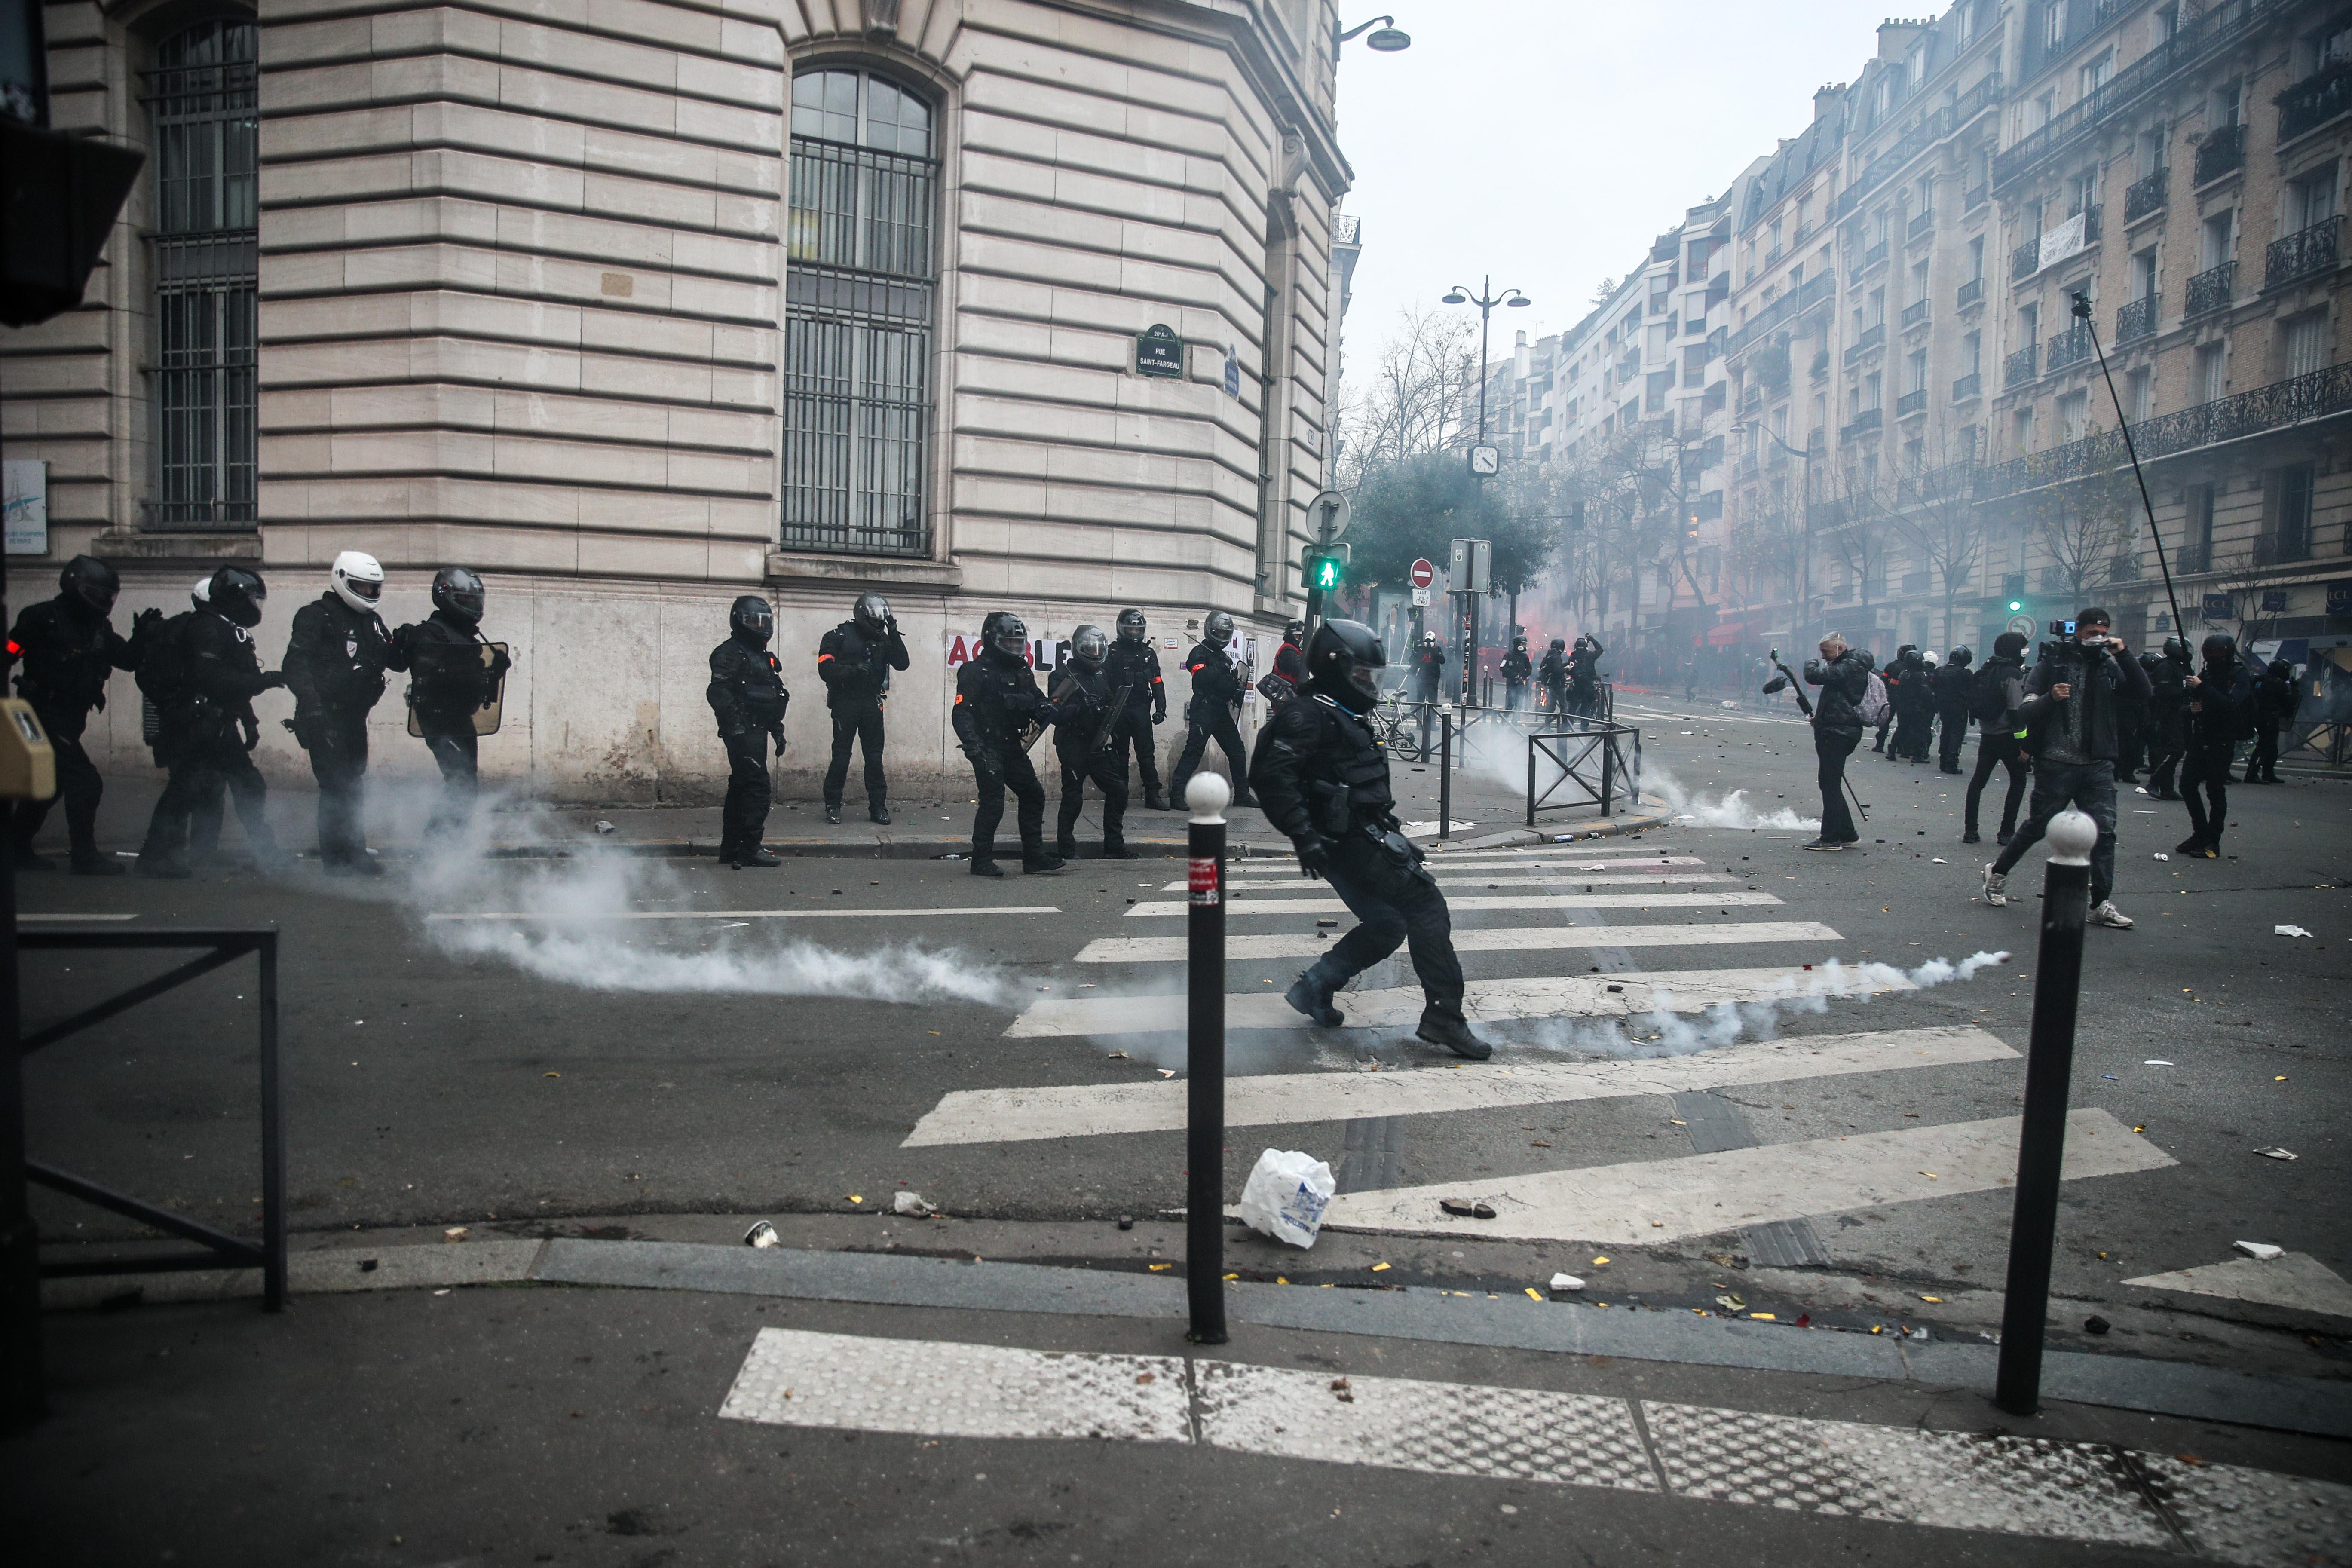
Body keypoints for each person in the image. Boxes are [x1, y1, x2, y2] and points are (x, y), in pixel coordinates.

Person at [1248, 619, 1486, 1060]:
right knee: (1426, 906)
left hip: (1360, 835)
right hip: (1346, 842)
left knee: (1388, 923)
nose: (1368, 685)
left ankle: (1314, 988)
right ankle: (1445, 1019)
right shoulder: (1308, 714)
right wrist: (1303, 835)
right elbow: (1272, 778)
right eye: (1361, 675)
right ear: (1334, 668)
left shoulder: (1337, 709)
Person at [1981, 608, 2148, 928]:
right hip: (2056, 761)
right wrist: (2051, 698)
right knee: (2039, 825)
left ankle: (2100, 902)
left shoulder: (2107, 665)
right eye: (2092, 633)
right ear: (2078, 631)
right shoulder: (2052, 663)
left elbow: (2143, 692)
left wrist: (2124, 655)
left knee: (2104, 832)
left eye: (2103, 633)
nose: (2098, 638)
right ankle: (1998, 873)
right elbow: (2025, 710)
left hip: (2097, 762)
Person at [136, 567, 288, 879]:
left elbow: (235, 680)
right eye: (250, 599)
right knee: (186, 788)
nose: (254, 606)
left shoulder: (226, 628)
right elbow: (213, 678)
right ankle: (154, 856)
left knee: (247, 784)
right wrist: (265, 681)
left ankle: (262, 854)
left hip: (219, 723)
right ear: (234, 598)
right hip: (197, 723)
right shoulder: (207, 628)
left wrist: (249, 719)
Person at [3, 556, 153, 873]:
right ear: (76, 587)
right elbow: (9, 654)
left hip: (70, 717)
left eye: (108, 597)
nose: (104, 602)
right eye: (98, 595)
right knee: (85, 781)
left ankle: (16, 848)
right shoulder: (42, 618)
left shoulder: (98, 627)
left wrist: (142, 637)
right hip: (40, 714)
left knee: (52, 782)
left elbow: (126, 659)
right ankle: (84, 857)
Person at [281, 551, 403, 876]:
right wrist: (312, 706)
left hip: (354, 717)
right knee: (335, 788)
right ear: (343, 581)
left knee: (353, 786)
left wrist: (410, 642)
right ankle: (335, 861)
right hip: (325, 717)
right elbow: (295, 665)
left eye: (373, 588)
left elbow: (393, 658)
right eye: (362, 587)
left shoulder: (371, 621)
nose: (369, 594)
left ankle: (355, 853)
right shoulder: (317, 616)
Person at [393, 567, 509, 839]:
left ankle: (450, 846)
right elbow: (433, 681)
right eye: (466, 600)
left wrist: (494, 673)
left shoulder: (467, 637)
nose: (473, 606)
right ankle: (435, 848)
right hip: (439, 720)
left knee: (467, 785)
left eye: (475, 600)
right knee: (461, 786)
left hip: (462, 720)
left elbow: (477, 692)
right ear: (445, 597)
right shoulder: (430, 635)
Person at [953, 610, 1061, 876]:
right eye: (1009, 643)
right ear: (992, 640)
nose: (1015, 648)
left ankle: (1033, 857)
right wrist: (973, 746)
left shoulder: (1022, 669)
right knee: (993, 802)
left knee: (1033, 795)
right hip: (986, 745)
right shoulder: (975, 671)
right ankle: (981, 860)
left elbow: (1036, 697)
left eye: (1018, 643)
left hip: (1012, 745)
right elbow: (962, 712)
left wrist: (1044, 707)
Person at [707, 594, 787, 868]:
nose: (761, 627)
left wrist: (777, 729)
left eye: (764, 621)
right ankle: (750, 848)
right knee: (757, 788)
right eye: (754, 621)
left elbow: (773, 695)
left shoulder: (763, 656)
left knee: (742, 787)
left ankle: (732, 848)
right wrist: (736, 727)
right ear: (739, 621)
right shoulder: (729, 653)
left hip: (758, 729)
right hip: (743, 731)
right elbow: (719, 692)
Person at [815, 592, 908, 825]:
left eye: (881, 622)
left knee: (874, 758)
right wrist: (853, 670)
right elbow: (825, 670)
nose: (878, 626)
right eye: (875, 621)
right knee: (841, 756)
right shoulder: (838, 636)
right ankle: (833, 805)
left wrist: (894, 634)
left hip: (870, 703)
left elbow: (902, 663)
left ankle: (878, 807)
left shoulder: (883, 639)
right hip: (845, 702)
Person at [1050, 624, 1136, 861]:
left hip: (1096, 742)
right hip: (1073, 743)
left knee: (1118, 790)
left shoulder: (1100, 674)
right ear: (1078, 649)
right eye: (1090, 650)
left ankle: (1114, 847)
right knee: (1073, 796)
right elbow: (1054, 714)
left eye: (1098, 650)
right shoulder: (1063, 675)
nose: (1095, 654)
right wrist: (1078, 708)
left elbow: (1108, 700)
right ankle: (1066, 849)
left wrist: (1109, 708)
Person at [1169, 610, 1255, 807]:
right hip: (1204, 708)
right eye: (1219, 632)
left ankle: (1242, 794)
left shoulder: (1223, 656)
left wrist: (1234, 684)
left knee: (1237, 750)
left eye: (1226, 633)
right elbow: (1200, 676)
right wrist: (1219, 671)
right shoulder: (1199, 653)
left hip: (1221, 710)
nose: (1222, 636)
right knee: (1194, 752)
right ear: (1210, 630)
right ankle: (1177, 795)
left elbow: (1227, 684)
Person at [2178, 632, 2253, 858]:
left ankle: (2213, 841)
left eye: (2217, 653)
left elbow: (2229, 704)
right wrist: (2190, 710)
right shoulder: (2207, 674)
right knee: (2187, 786)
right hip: (2201, 736)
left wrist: (2202, 687)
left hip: (2222, 739)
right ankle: (2200, 834)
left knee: (2215, 789)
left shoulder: (2238, 674)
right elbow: (2186, 705)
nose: (2212, 657)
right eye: (2208, 653)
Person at [1801, 632, 1874, 851]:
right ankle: (1848, 834)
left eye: (1825, 651)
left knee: (1830, 784)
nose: (1823, 656)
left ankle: (1830, 838)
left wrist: (1810, 662)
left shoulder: (1849, 666)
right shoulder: (1849, 665)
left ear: (1840, 648)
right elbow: (1837, 699)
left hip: (1838, 732)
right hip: (1837, 728)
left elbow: (1814, 676)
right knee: (1830, 783)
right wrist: (1822, 717)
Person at [1961, 631, 2030, 846]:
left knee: (1978, 783)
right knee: (2018, 781)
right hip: (2008, 736)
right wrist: (2024, 741)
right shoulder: (2012, 673)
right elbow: (2015, 708)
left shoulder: (1986, 669)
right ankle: (2006, 832)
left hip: (1987, 734)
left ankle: (1970, 831)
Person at [1103, 607, 1169, 810]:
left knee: (1147, 755)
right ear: (1121, 629)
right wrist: (1105, 709)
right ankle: (1120, 795)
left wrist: (1161, 708)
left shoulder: (1148, 653)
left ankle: (1153, 795)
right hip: (1119, 710)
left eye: (1137, 630)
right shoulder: (1112, 653)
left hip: (1141, 709)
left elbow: (1157, 682)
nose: (1134, 633)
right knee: (1120, 755)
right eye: (1130, 629)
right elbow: (1103, 683)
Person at [2140, 643, 2189, 800]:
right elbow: (2164, 690)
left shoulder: (2179, 667)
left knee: (2172, 750)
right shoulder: (2166, 667)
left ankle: (2167, 789)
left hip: (2176, 713)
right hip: (2165, 714)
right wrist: (2186, 691)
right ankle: (2155, 782)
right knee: (2175, 750)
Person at [2246, 657, 2296, 784]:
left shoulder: (2259, 679)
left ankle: (2268, 773)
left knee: (2271, 747)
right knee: (2264, 746)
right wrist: (2293, 690)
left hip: (2258, 716)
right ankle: (2252, 774)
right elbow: (2288, 701)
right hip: (2269, 717)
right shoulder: (2278, 683)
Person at [1932, 645, 1974, 775]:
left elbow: (1935, 688)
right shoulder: (1965, 673)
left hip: (1944, 707)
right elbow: (1972, 691)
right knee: (1956, 734)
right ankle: (1951, 762)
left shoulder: (1940, 671)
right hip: (1959, 707)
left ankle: (1943, 760)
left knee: (1946, 731)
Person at [1260, 618, 1308, 708]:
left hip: (1291, 698)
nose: (1302, 639)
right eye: (1299, 636)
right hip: (1288, 699)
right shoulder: (1288, 650)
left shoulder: (1294, 650)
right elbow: (1301, 669)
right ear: (1295, 637)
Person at [1566, 633, 1605, 718]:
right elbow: (1600, 650)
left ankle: (1569, 725)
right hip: (1588, 686)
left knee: (1573, 708)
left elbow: (1569, 672)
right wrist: (1593, 640)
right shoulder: (1590, 655)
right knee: (1586, 709)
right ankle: (1585, 726)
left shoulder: (1573, 657)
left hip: (1576, 686)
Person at [1537, 637, 1569, 715]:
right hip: (1559, 684)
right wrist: (1567, 669)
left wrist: (1566, 664)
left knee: (1551, 707)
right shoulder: (1557, 657)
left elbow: (1554, 668)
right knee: (1564, 706)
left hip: (1551, 684)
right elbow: (1558, 671)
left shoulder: (1549, 656)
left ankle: (1547, 722)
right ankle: (1564, 723)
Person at [1500, 634, 1532, 712]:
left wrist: (1524, 676)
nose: (1524, 646)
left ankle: (1516, 719)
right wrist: (1514, 675)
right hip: (1511, 682)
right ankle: (1505, 718)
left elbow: (1529, 668)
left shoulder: (1524, 657)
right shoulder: (1509, 656)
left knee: (1519, 704)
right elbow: (1502, 667)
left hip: (1520, 683)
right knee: (1511, 703)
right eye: (1523, 644)